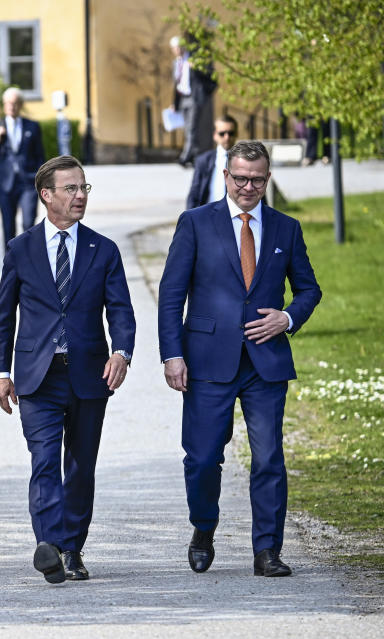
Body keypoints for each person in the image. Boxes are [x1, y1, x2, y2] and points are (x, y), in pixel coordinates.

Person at [158, 140, 322, 577]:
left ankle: (267, 550)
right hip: (207, 360)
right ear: (226, 176)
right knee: (203, 457)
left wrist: (286, 318)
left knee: (269, 457)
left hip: (265, 362)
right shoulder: (195, 223)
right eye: (240, 178)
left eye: (257, 179)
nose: (248, 186)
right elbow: (172, 295)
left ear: (268, 179)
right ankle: (203, 528)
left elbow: (309, 289)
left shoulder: (286, 228)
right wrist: (172, 355)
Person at [0, 155, 135, 584]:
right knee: (44, 462)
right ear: (46, 195)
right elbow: (4, 316)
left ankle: (73, 547)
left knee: (80, 465)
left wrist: (122, 352)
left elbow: (121, 310)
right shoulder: (20, 249)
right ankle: (50, 546)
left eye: (84, 188)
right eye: (70, 189)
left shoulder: (103, 249)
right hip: (37, 375)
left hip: (91, 373)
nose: (79, 197)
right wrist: (0, 372)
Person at [0, 87, 46, 249]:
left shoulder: (32, 126)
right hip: (5, 183)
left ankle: (29, 261)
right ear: (4, 105)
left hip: (28, 182)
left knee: (28, 223)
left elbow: (40, 156)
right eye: (8, 103)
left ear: (21, 105)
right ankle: (11, 265)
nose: (11, 106)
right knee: (8, 225)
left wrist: (42, 180)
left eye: (15, 103)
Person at [170, 35, 217, 166]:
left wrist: (195, 67)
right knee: (187, 129)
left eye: (179, 47)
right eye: (175, 48)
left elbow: (209, 76)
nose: (177, 50)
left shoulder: (195, 60)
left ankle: (185, 156)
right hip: (183, 98)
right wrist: (175, 103)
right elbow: (176, 84)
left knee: (192, 128)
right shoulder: (176, 63)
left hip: (194, 98)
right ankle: (195, 156)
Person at [186, 115, 238, 210]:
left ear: (236, 134)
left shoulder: (245, 161)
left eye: (231, 133)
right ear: (215, 135)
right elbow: (195, 193)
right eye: (222, 133)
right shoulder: (203, 161)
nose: (227, 137)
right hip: (208, 217)